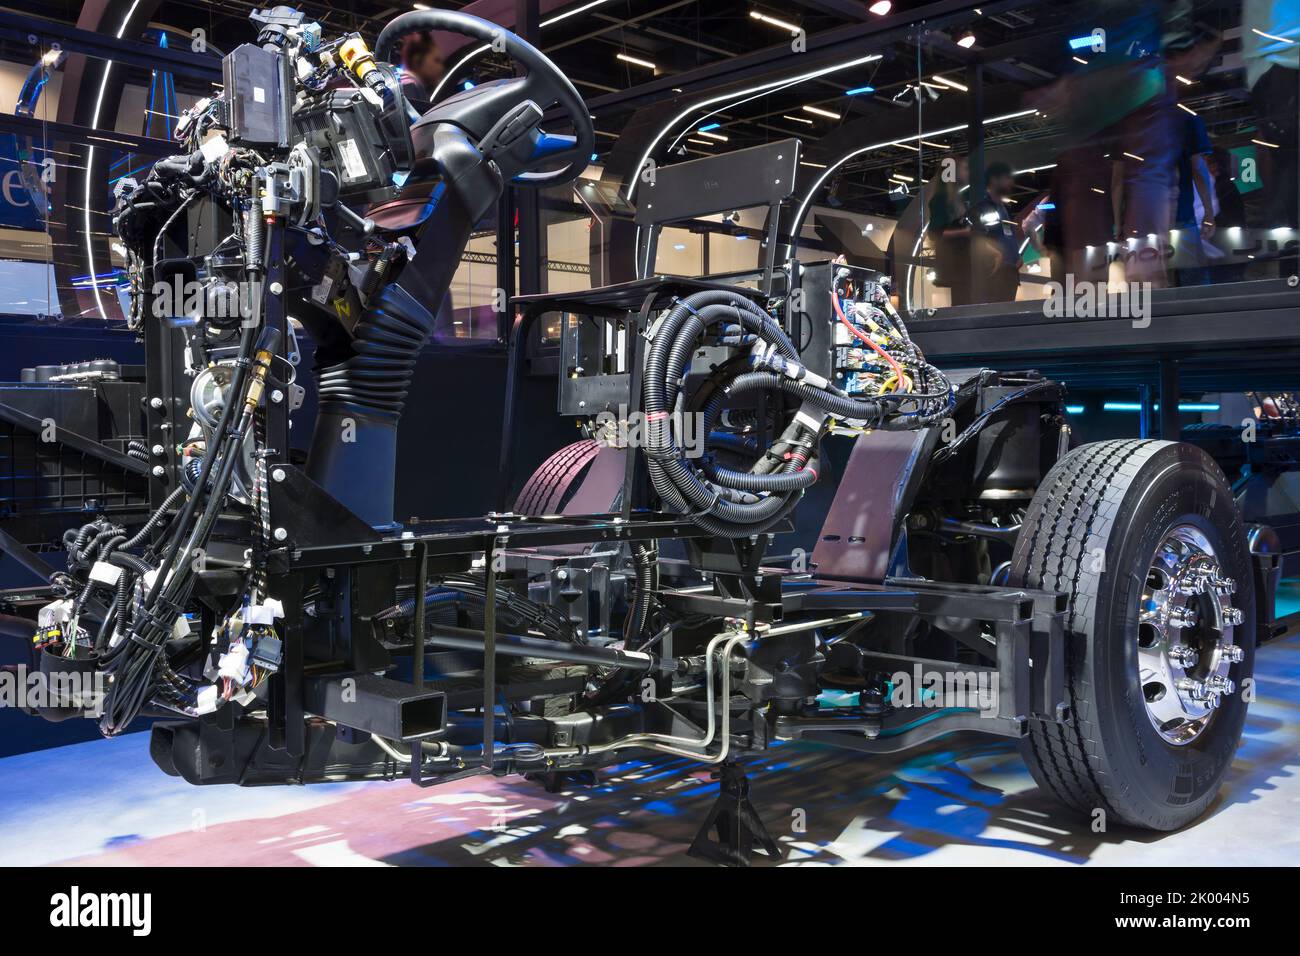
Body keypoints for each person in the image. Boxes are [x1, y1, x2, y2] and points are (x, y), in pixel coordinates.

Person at [959, 162, 1032, 302]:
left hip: (1009, 272)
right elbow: (975, 235)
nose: (1010, 182)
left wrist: (1017, 257)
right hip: (996, 272)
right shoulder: (983, 208)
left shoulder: (1003, 209)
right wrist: (996, 254)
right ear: (994, 180)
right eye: (1006, 178)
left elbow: (1006, 235)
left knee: (1006, 311)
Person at [397, 30, 447, 116]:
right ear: (417, 60)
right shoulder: (409, 86)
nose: (441, 68)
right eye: (436, 60)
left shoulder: (410, 85)